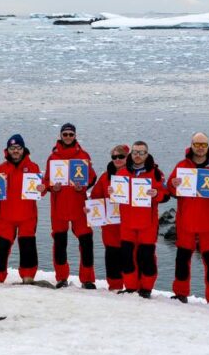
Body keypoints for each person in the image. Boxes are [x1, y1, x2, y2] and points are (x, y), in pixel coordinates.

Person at [167, 132, 209, 304]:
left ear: (208, 146)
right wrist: (173, 185)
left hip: (208, 221)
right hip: (186, 220)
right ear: (191, 145)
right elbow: (170, 189)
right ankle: (180, 293)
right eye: (197, 144)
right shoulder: (182, 165)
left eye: (203, 144)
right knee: (182, 258)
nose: (200, 148)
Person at [42, 123, 97, 288]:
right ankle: (61, 278)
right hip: (59, 206)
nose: (67, 137)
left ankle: (87, 279)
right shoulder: (53, 158)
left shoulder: (83, 155)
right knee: (59, 242)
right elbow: (47, 181)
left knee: (86, 242)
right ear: (60, 136)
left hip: (79, 205)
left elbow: (92, 178)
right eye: (65, 134)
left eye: (70, 134)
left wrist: (83, 185)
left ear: (75, 136)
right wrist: (53, 187)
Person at [113, 141, 168, 298]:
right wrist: (113, 191)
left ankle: (146, 288)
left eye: (141, 153)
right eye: (135, 152)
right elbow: (117, 196)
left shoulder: (156, 173)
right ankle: (130, 287)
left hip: (147, 223)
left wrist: (156, 194)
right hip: (127, 222)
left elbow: (166, 194)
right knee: (127, 256)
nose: (138, 155)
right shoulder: (122, 173)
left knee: (146, 257)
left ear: (147, 154)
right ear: (131, 153)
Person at [0, 134, 40, 284]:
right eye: (12, 148)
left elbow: (40, 190)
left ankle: (28, 276)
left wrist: (42, 188)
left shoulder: (33, 167)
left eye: (18, 148)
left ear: (23, 149)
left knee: (28, 247)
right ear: (7, 150)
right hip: (6, 216)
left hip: (27, 216)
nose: (15, 151)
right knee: (1, 248)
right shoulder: (1, 168)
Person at [87, 144, 129, 291]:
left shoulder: (134, 176)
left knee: (130, 258)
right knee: (112, 258)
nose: (117, 159)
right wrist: (91, 209)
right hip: (110, 226)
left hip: (128, 224)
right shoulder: (106, 176)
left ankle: (132, 288)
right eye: (114, 157)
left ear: (127, 157)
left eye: (121, 156)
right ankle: (115, 287)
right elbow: (95, 196)